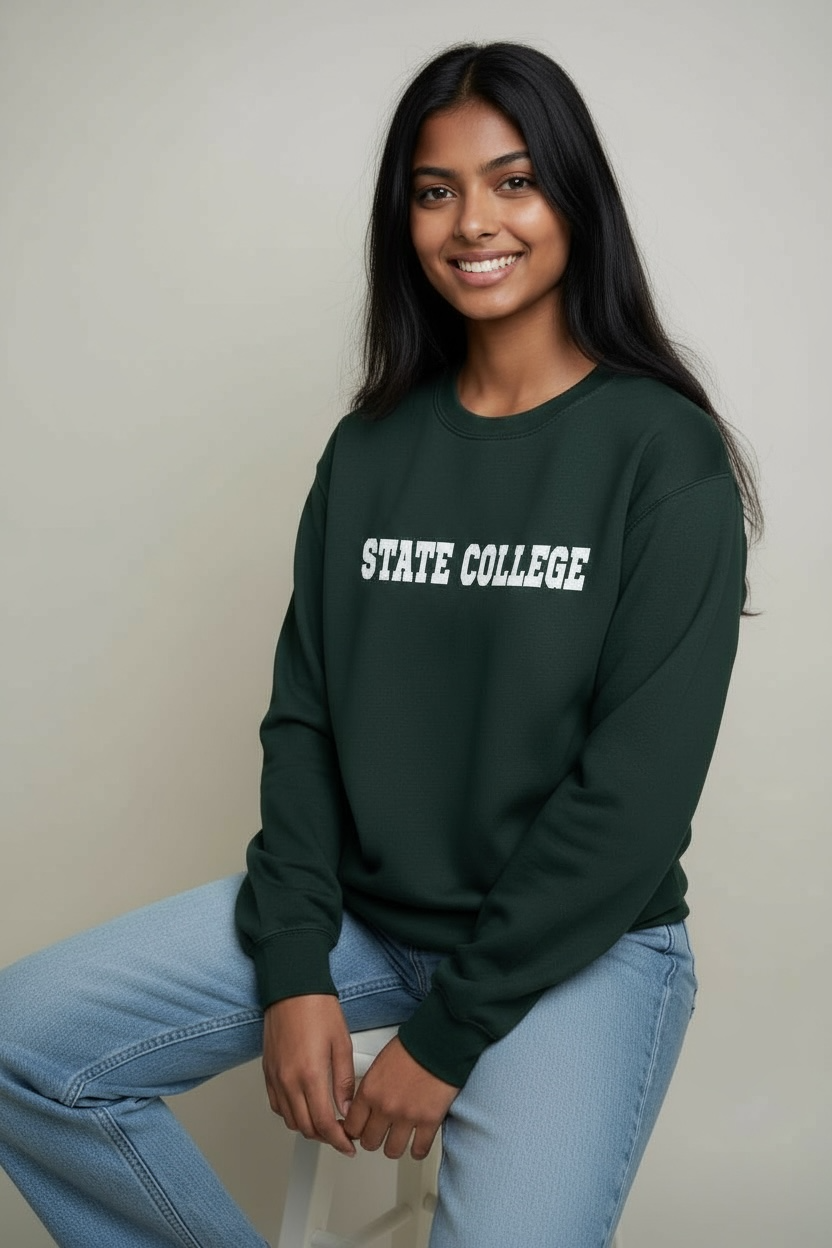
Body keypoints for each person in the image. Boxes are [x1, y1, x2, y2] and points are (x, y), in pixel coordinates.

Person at [0, 40, 762, 1248]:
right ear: (402, 217)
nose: (474, 222)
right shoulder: (370, 450)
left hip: (578, 950)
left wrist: (449, 1034)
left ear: (575, 199)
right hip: (366, 919)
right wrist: (296, 962)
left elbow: (632, 799)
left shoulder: (658, 455)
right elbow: (305, 721)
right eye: (434, 189)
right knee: (21, 1040)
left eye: (514, 181)